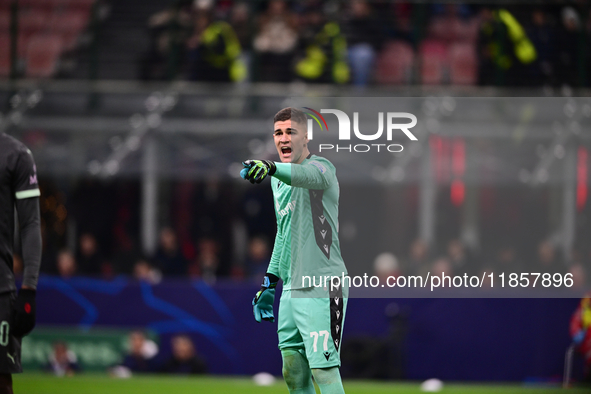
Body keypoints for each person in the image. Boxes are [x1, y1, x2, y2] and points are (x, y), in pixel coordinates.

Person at [240, 107, 348, 394]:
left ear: (306, 136)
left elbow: (309, 177)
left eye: (291, 132)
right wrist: (270, 281)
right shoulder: (277, 181)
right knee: (293, 371)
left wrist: (272, 166)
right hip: (291, 287)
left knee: (323, 372)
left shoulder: (323, 167)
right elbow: (284, 234)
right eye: (278, 133)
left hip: (323, 284)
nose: (283, 138)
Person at [0, 132, 42, 393]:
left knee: (1, 381)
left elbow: (30, 224)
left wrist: (29, 289)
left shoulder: (15, 154)